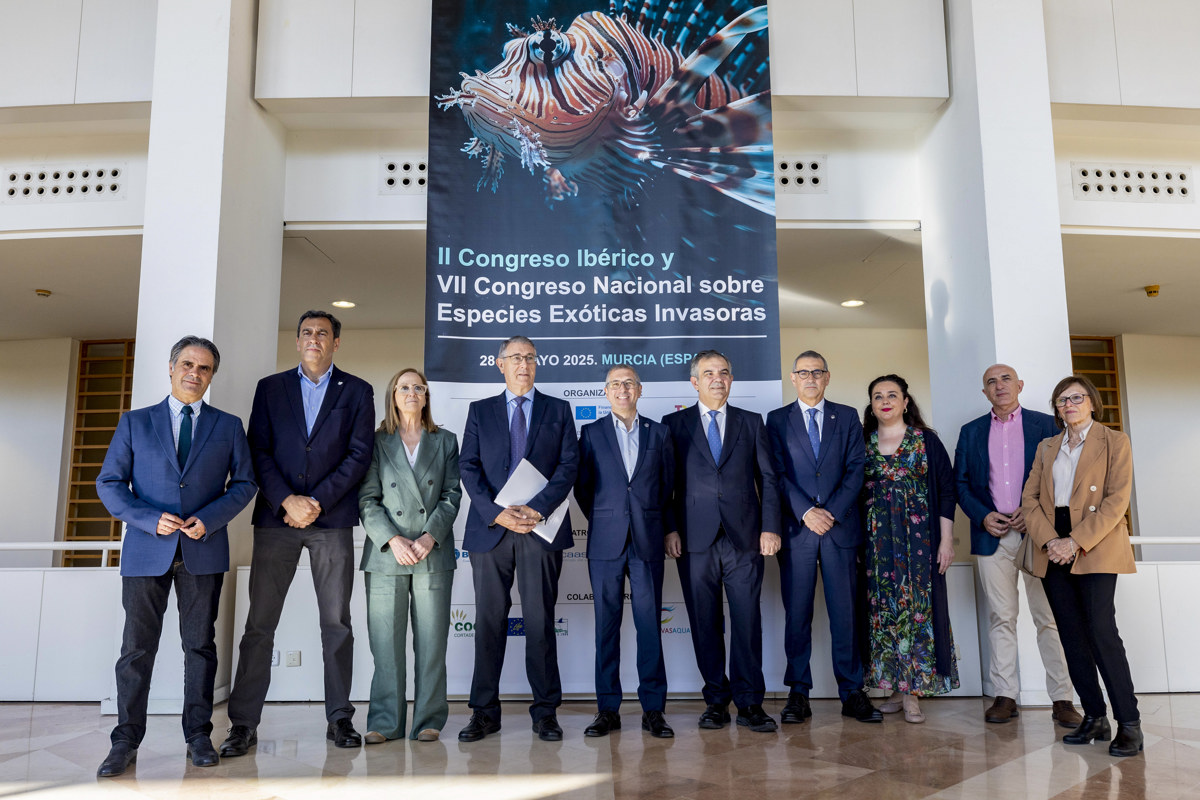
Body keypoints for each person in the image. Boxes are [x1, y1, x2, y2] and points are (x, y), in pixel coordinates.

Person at [95, 336, 256, 776]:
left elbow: (244, 484)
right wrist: (148, 519)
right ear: (171, 368)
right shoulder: (135, 422)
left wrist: (210, 518)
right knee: (135, 650)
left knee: (200, 648)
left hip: (203, 550)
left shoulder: (227, 426)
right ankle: (125, 741)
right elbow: (109, 483)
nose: (194, 373)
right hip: (148, 551)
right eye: (187, 364)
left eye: (204, 368)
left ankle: (198, 735)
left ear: (211, 376)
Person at [221, 310, 375, 756]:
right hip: (276, 520)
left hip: (332, 522)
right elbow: (258, 450)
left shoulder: (358, 391)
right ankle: (243, 724)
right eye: (307, 333)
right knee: (259, 626)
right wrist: (287, 500)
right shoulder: (270, 389)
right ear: (297, 341)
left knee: (337, 624)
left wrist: (317, 502)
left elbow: (359, 455)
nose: (314, 339)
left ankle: (339, 719)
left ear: (335, 343)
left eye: (323, 334)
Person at [457, 335, 579, 743]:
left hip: (539, 530)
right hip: (491, 531)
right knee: (489, 622)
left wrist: (537, 508)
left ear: (536, 363)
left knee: (541, 621)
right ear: (499, 364)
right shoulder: (480, 411)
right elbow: (468, 467)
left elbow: (568, 466)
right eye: (515, 358)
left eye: (529, 357)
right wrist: (497, 513)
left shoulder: (559, 410)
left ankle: (546, 713)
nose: (523, 364)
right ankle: (483, 713)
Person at [1021, 375, 1141, 757]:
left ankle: (1130, 724)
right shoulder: (1047, 446)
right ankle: (1094, 716)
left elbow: (1116, 501)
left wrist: (1075, 541)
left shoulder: (1115, 441)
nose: (1068, 405)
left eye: (1076, 398)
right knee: (1070, 635)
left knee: (1101, 633)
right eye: (1061, 400)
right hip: (1052, 543)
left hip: (1095, 544)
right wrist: (1051, 541)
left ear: (1092, 402)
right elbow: (1030, 499)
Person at [955, 364, 1080, 727]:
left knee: (1050, 619)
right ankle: (1005, 696)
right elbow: (960, 483)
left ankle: (1062, 699)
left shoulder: (1046, 425)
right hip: (991, 537)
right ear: (985, 393)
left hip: (1039, 537)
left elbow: (1062, 475)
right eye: (991, 381)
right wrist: (982, 516)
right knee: (1001, 619)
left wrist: (1035, 512)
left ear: (1020, 385)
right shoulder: (971, 431)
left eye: (1006, 379)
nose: (999, 386)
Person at [663, 350, 781, 733]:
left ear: (732, 380)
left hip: (744, 539)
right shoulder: (674, 424)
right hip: (694, 541)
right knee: (704, 623)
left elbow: (768, 479)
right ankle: (716, 700)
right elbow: (665, 487)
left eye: (724, 372)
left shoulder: (751, 422)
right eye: (709, 373)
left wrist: (770, 527)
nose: (718, 378)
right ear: (694, 382)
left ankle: (750, 703)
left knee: (748, 621)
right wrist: (669, 529)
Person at [765, 351, 881, 724]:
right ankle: (798, 692)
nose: (811, 377)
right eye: (804, 372)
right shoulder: (777, 419)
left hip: (839, 530)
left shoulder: (846, 416)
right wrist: (806, 511)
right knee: (797, 615)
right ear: (793, 378)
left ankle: (852, 691)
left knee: (844, 615)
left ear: (827, 378)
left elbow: (856, 467)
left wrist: (830, 513)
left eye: (817, 372)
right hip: (798, 532)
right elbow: (775, 473)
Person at [357, 368, 462, 743]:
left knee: (433, 642)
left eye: (419, 386)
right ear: (393, 395)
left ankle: (429, 719)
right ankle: (385, 722)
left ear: (427, 395)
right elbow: (367, 499)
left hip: (432, 552)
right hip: (387, 554)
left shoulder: (445, 440)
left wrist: (430, 536)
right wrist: (393, 540)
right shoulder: (376, 441)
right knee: (385, 643)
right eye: (405, 387)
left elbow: (452, 495)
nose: (412, 391)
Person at [575, 364, 676, 739]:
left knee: (650, 626)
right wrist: (608, 517)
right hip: (605, 541)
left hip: (648, 539)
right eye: (615, 384)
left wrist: (663, 526)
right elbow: (583, 488)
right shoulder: (591, 433)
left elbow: (668, 487)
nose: (622, 389)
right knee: (607, 626)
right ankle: (607, 709)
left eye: (629, 383)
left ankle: (653, 710)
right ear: (606, 391)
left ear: (639, 389)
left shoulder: (660, 433)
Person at [861, 375, 959, 723]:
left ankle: (914, 692)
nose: (885, 400)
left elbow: (947, 492)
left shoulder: (925, 441)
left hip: (920, 542)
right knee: (884, 612)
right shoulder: (862, 441)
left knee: (917, 611)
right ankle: (895, 686)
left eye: (892, 395)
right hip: (877, 544)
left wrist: (946, 541)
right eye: (878, 396)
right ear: (871, 406)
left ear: (905, 401)